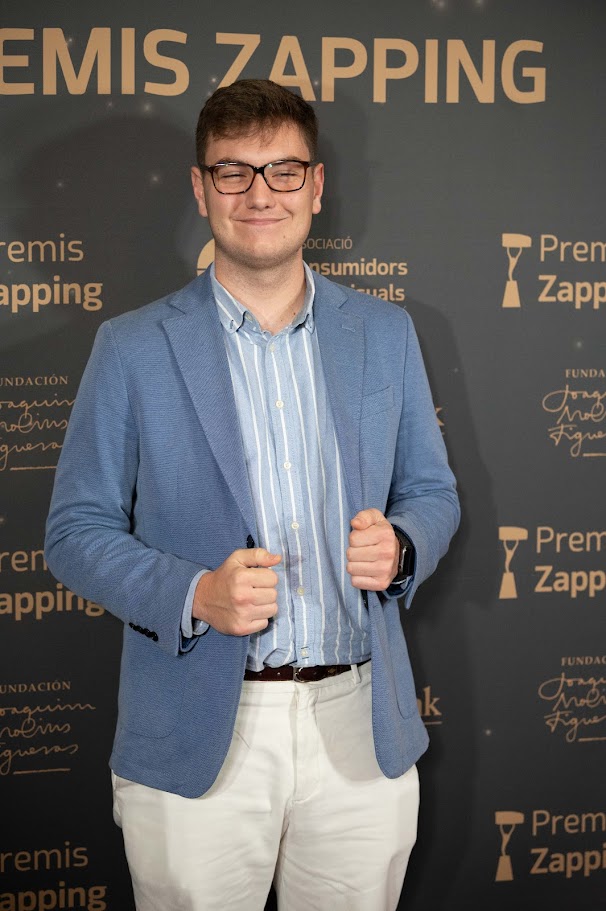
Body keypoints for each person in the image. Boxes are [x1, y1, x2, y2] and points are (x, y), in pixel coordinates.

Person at [45, 78, 460, 911]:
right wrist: (195, 592)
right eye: (233, 171)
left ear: (316, 185)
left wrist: (404, 544)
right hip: (200, 729)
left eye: (282, 171)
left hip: (361, 726)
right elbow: (74, 532)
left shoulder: (386, 333)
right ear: (201, 189)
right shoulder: (130, 347)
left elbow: (432, 489)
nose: (260, 194)